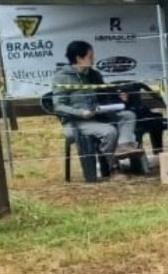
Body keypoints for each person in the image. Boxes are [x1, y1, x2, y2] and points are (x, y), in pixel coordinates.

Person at [52, 41, 139, 178]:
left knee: (128, 115)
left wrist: (118, 95)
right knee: (110, 131)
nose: (94, 59)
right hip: (76, 122)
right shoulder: (62, 77)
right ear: (79, 58)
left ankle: (123, 146)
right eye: (90, 56)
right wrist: (80, 113)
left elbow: (104, 94)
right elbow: (58, 106)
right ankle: (114, 168)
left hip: (97, 114)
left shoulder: (94, 75)